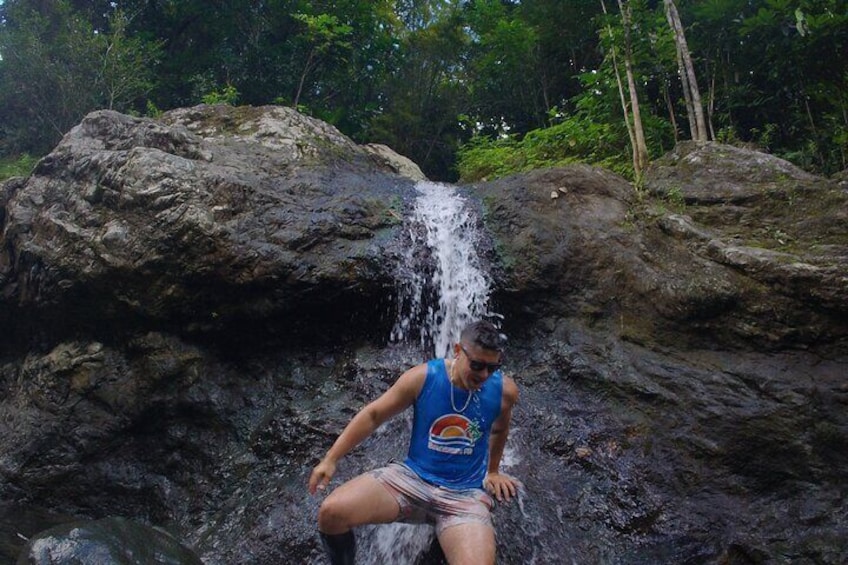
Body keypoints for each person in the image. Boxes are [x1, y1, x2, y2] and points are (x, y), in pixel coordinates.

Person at [308, 320, 520, 565]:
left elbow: (500, 429)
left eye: (492, 368)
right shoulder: (424, 377)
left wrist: (493, 471)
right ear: (458, 351)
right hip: (411, 480)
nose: (484, 375)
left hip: (464, 497)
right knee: (331, 513)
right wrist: (331, 458)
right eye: (477, 365)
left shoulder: (505, 391)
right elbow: (373, 415)